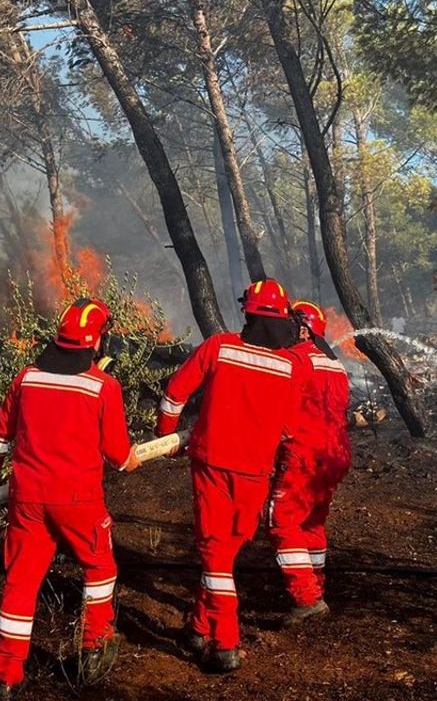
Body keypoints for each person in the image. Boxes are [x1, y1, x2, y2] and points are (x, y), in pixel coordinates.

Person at [0, 298, 140, 700]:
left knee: (21, 580)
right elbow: (119, 455)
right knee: (99, 567)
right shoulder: (104, 387)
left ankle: (7, 674)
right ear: (98, 339)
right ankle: (94, 647)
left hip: (27, 497)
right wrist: (133, 459)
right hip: (77, 499)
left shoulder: (27, 377)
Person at [154, 278, 308, 673]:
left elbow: (174, 393)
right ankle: (198, 628)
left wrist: (166, 435)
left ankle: (225, 644)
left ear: (249, 311)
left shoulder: (218, 347)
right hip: (256, 472)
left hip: (212, 466)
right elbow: (291, 428)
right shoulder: (291, 366)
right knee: (224, 553)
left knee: (216, 555)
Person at [267, 301, 352, 625]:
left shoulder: (292, 360)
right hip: (335, 455)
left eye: (289, 324)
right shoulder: (336, 365)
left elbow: (278, 410)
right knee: (312, 523)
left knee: (283, 522)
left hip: (304, 453)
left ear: (303, 329)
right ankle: (316, 587)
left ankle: (306, 597)